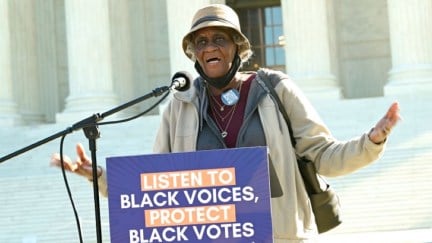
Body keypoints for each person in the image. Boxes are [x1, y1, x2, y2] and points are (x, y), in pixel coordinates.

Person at [51, 4, 401, 242]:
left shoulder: (275, 89)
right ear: (193, 54)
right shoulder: (180, 105)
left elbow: (324, 156)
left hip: (276, 236)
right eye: (200, 42)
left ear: (237, 47)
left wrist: (371, 141)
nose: (209, 47)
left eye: (219, 38)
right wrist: (97, 176)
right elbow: (156, 187)